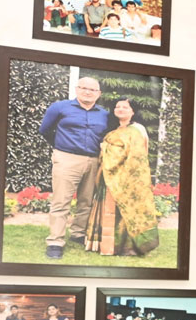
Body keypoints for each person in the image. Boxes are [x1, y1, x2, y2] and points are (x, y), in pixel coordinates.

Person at [37, 77, 110, 259]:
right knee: (61, 201)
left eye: (92, 90)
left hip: (94, 160)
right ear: (76, 89)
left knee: (87, 201)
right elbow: (45, 130)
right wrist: (62, 147)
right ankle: (55, 241)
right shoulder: (60, 108)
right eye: (83, 88)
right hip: (67, 159)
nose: (87, 92)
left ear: (99, 94)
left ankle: (78, 233)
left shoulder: (105, 115)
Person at [84, 98, 160, 256]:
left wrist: (106, 148)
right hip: (109, 177)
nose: (120, 109)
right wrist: (106, 148)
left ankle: (124, 247)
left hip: (126, 177)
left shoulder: (136, 130)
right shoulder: (114, 129)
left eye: (125, 107)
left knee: (125, 210)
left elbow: (136, 155)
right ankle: (104, 244)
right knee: (108, 208)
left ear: (133, 111)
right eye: (117, 107)